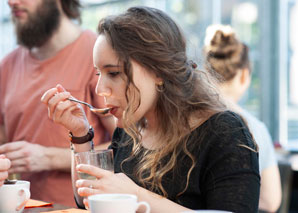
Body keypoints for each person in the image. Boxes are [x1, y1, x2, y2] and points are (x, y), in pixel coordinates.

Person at [41, 6, 260, 212]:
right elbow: (88, 201)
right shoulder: (129, 131)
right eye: (99, 74)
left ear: (159, 72)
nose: (100, 89)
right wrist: (81, 135)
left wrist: (136, 195)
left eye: (114, 73)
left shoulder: (224, 132)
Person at [0, 0, 115, 206]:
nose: (11, 2)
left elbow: (128, 147)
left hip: (80, 208)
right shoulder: (7, 65)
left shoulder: (98, 55)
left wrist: (48, 157)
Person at [203, 24, 282, 212]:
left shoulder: (179, 119)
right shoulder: (255, 128)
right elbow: (271, 202)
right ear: (244, 75)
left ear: (205, 71)